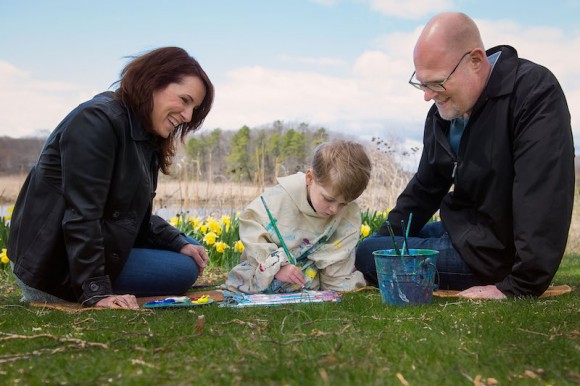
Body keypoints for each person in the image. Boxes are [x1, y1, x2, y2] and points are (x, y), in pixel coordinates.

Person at [355, 12, 574, 299]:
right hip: (461, 232)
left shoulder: (532, 92)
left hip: (494, 255)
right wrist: (387, 239)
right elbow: (425, 187)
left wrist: (520, 285)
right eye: (422, 84)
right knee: (376, 248)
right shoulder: (443, 113)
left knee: (365, 253)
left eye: (436, 82)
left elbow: (543, 193)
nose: (427, 96)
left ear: (476, 61)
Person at [8, 47, 214, 309]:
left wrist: (176, 240)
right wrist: (96, 291)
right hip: (53, 266)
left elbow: (129, 215)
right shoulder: (96, 120)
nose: (187, 116)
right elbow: (81, 213)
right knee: (185, 268)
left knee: (190, 247)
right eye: (184, 100)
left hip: (84, 249)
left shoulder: (141, 135)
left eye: (193, 108)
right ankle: (77, 287)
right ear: (153, 82)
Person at [224, 139, 371, 294]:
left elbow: (337, 259)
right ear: (310, 178)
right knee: (250, 279)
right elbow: (251, 226)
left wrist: (337, 287)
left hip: (308, 276)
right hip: (269, 267)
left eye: (344, 204)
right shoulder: (279, 199)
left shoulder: (347, 212)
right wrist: (277, 266)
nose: (335, 209)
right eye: (328, 199)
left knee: (342, 285)